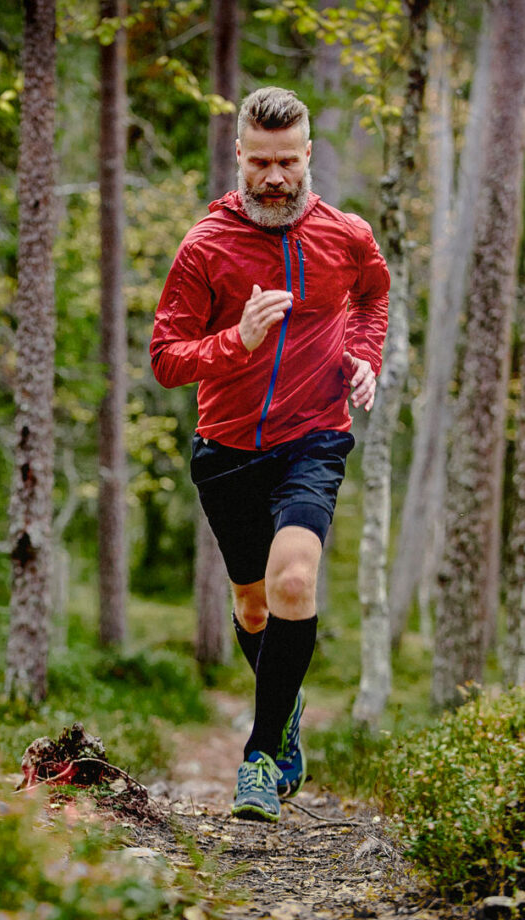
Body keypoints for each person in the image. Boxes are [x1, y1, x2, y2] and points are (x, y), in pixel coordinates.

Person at [150, 87, 390, 823]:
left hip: (311, 440)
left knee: (292, 582)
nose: (276, 179)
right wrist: (239, 342)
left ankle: (257, 758)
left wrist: (360, 356)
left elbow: (373, 297)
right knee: (252, 607)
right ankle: (285, 718)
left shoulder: (345, 235)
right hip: (224, 451)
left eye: (288, 162)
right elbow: (165, 359)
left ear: (308, 156)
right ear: (239, 159)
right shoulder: (206, 246)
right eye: (260, 164)